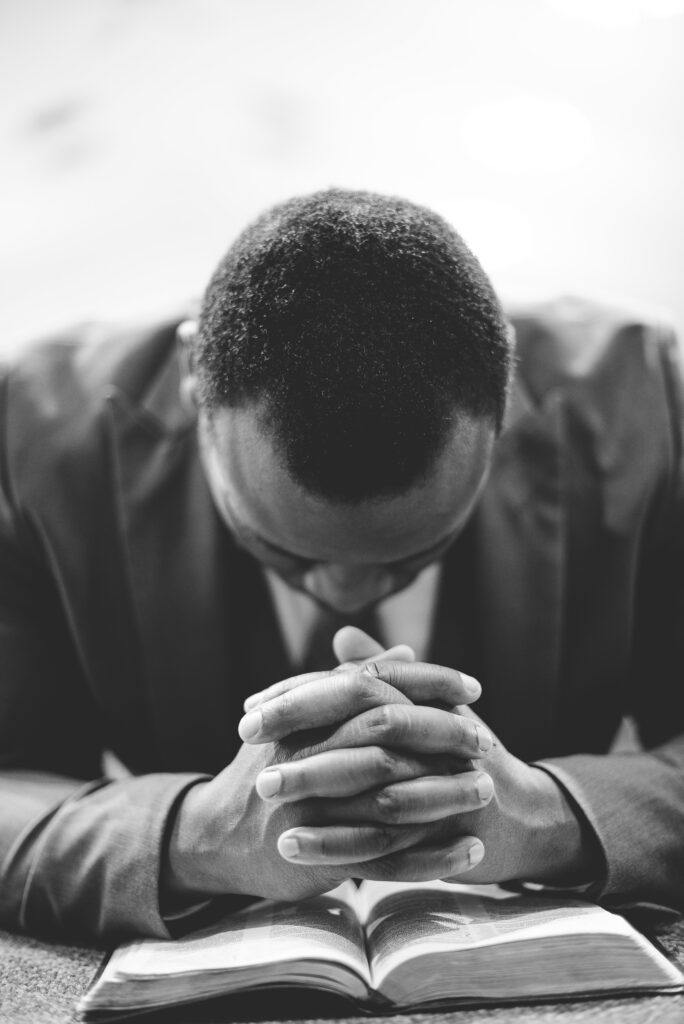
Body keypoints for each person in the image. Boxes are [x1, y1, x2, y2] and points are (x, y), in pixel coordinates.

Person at [1, 190, 682, 942]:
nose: (348, 598)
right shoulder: (27, 433)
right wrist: (194, 835)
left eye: (417, 552)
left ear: (506, 400)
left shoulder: (658, 405)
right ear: (197, 385)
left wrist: (550, 815)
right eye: (284, 547)